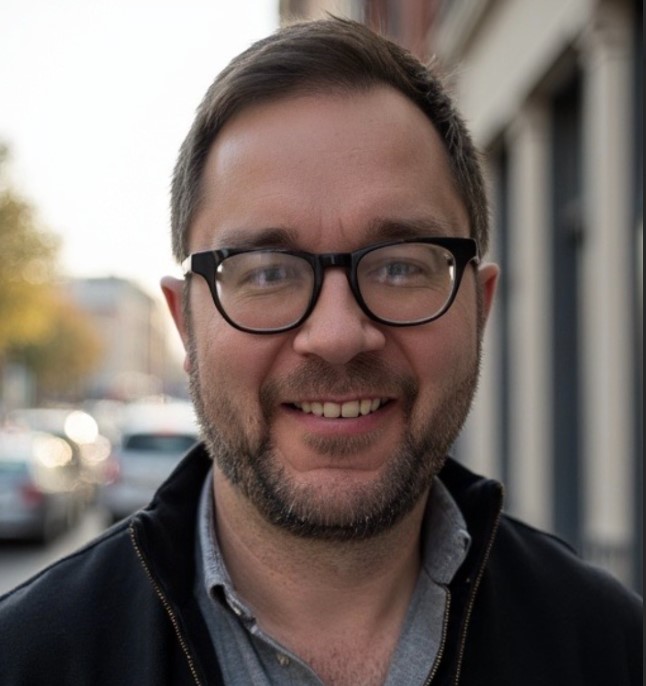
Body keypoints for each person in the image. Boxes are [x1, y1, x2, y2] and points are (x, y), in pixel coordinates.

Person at [0, 17, 641, 686]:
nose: (337, 336)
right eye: (267, 272)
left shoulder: (614, 650)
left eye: (399, 266)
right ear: (186, 325)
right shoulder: (24, 661)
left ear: (478, 309)